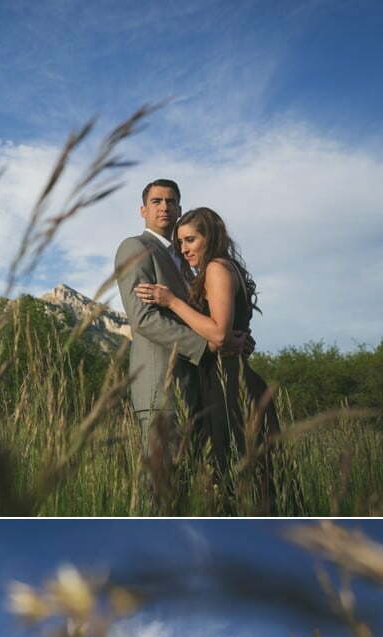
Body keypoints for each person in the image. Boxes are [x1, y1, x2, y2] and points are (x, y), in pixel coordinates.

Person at [133, 207, 279, 499]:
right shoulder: (223, 268)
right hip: (228, 376)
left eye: (191, 240)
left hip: (229, 384)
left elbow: (219, 334)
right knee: (241, 477)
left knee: (235, 478)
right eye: (180, 242)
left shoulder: (216, 268)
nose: (184, 249)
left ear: (210, 237)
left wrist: (171, 301)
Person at [114, 185, 250, 482]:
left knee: (198, 485)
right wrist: (209, 344)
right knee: (163, 487)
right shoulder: (135, 248)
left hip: (202, 388)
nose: (164, 206)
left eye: (171, 201)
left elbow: (211, 317)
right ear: (143, 210)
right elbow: (143, 319)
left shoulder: (190, 261)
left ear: (179, 209)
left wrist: (236, 337)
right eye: (156, 201)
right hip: (162, 387)